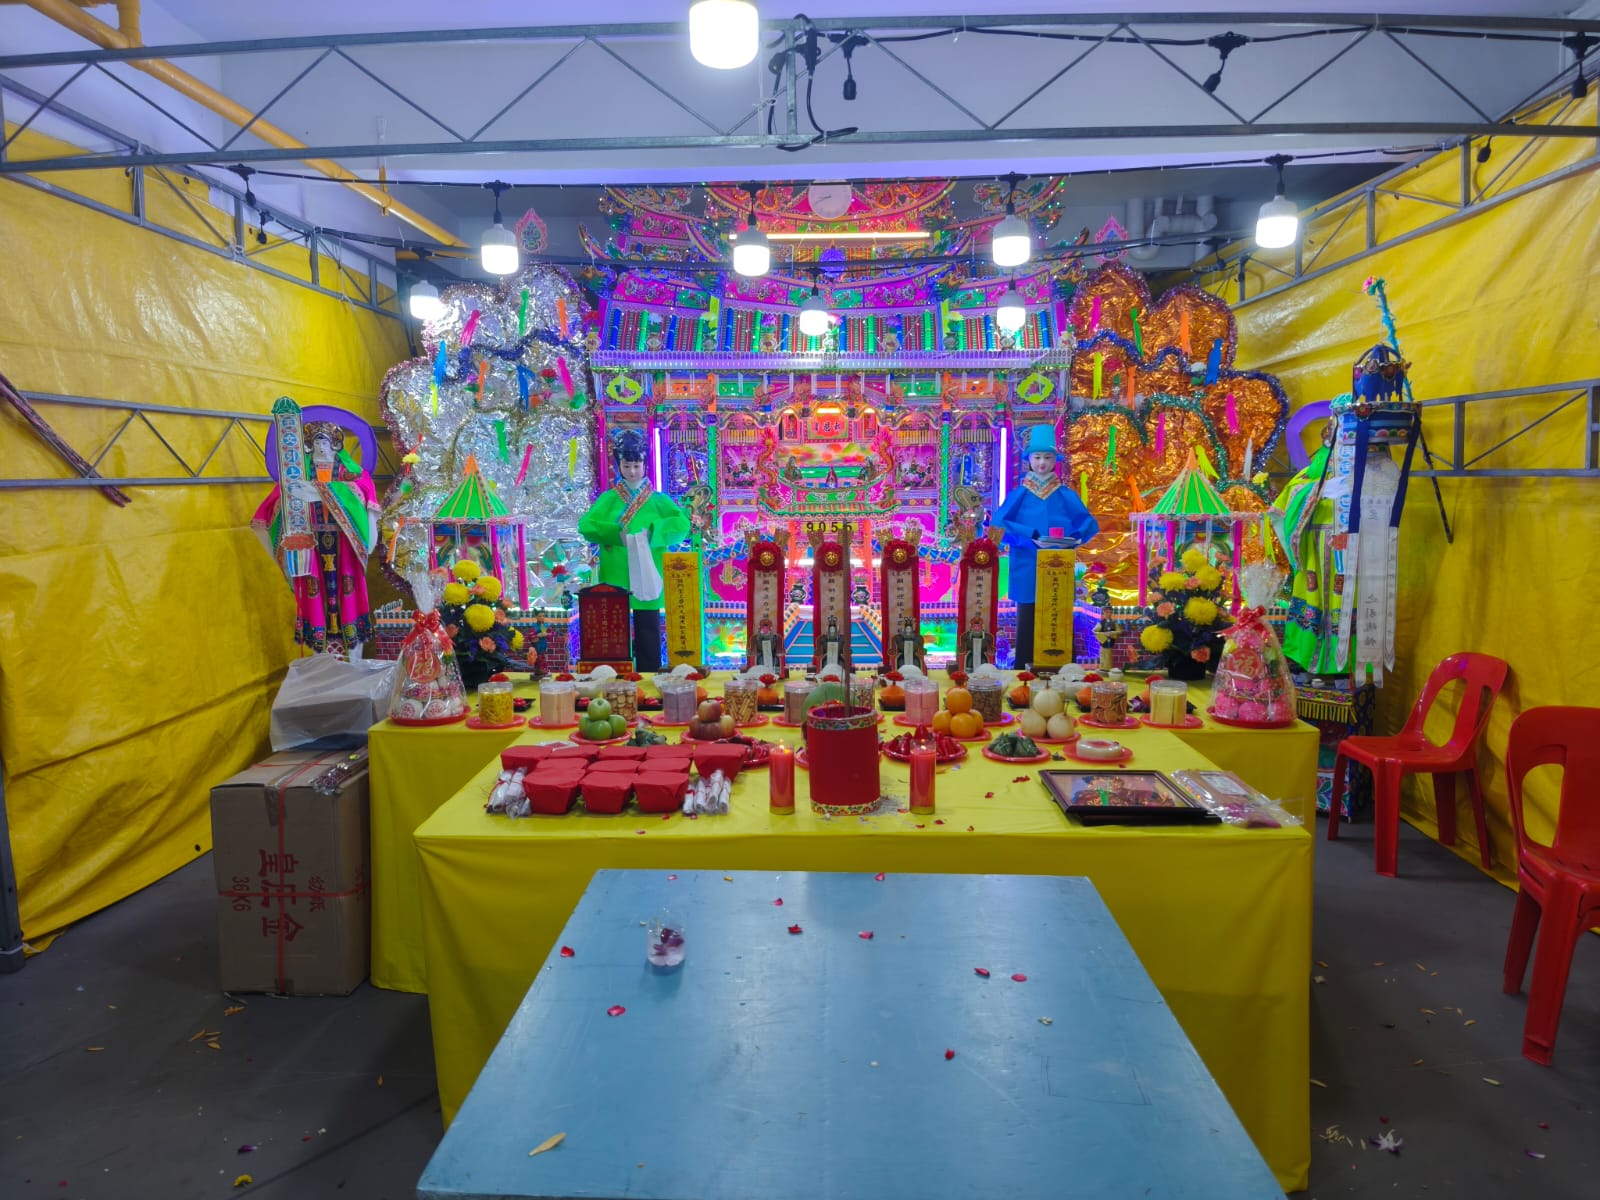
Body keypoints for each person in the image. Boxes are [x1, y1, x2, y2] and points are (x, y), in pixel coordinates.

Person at [252, 419, 379, 655]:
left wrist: (321, 492)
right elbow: (276, 505)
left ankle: (353, 659)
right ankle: (323, 660)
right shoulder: (298, 474)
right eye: (317, 441)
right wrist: (297, 495)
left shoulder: (351, 473)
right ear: (309, 445)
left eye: (326, 441)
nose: (322, 446)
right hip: (312, 546)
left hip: (345, 546)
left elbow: (363, 498)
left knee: (348, 593)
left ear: (336, 444)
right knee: (314, 595)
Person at [576, 430, 690, 672]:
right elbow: (586, 526)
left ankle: (649, 676)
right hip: (616, 572)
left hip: (649, 573)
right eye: (627, 466)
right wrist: (615, 534)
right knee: (616, 629)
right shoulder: (609, 499)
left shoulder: (658, 500)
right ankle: (614, 675)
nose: (632, 472)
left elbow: (682, 525)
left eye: (637, 466)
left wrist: (654, 533)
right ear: (618, 465)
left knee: (648, 628)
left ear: (645, 465)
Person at [992, 424, 1099, 668]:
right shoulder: (1019, 494)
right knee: (1028, 616)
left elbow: (1088, 523)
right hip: (1027, 565)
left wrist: (1074, 539)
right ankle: (1024, 668)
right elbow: (997, 527)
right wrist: (1030, 536)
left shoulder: (1065, 494)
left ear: (1055, 461)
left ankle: (1062, 667)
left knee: (1059, 612)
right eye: (1037, 457)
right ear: (1029, 460)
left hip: (1058, 565)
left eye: (1047, 458)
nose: (1042, 463)